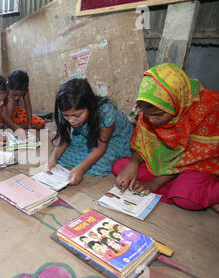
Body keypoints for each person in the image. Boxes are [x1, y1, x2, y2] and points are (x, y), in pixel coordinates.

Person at [114, 63, 219, 211]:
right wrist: (133, 163)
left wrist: (154, 183)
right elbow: (144, 143)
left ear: (177, 102)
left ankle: (195, 190)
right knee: (119, 167)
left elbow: (188, 159)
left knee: (186, 197)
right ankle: (186, 188)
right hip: (164, 162)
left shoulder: (209, 110)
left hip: (198, 165)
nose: (152, 120)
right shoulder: (150, 109)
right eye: (147, 114)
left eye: (158, 115)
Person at [46, 78, 134, 185]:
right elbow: (64, 138)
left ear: (90, 106)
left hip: (113, 138)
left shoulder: (106, 112)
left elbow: (101, 146)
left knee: (98, 167)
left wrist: (82, 168)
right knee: (62, 157)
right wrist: (52, 159)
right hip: (88, 133)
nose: (71, 120)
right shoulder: (65, 109)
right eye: (66, 116)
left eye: (77, 115)